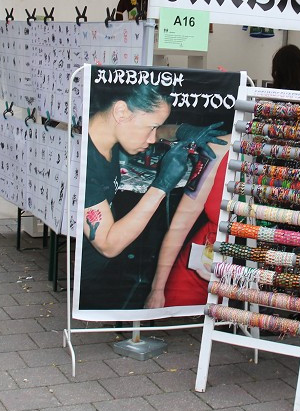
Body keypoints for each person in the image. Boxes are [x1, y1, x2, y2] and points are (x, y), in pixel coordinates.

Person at [82, 83, 225, 309]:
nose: (152, 138)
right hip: (87, 279)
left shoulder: (108, 135)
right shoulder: (85, 162)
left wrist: (181, 131)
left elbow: (158, 131)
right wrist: (161, 186)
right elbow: (108, 244)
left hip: (102, 272)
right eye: (150, 127)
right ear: (121, 112)